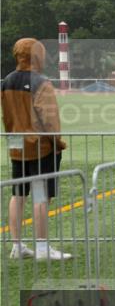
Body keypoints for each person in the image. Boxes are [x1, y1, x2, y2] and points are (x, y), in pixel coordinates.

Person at [2, 38, 72, 260]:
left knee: (18, 194)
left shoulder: (7, 81)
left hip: (16, 143)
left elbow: (7, 115)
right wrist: (57, 142)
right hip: (41, 146)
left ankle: (17, 245)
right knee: (41, 196)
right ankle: (42, 247)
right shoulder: (41, 82)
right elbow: (50, 120)